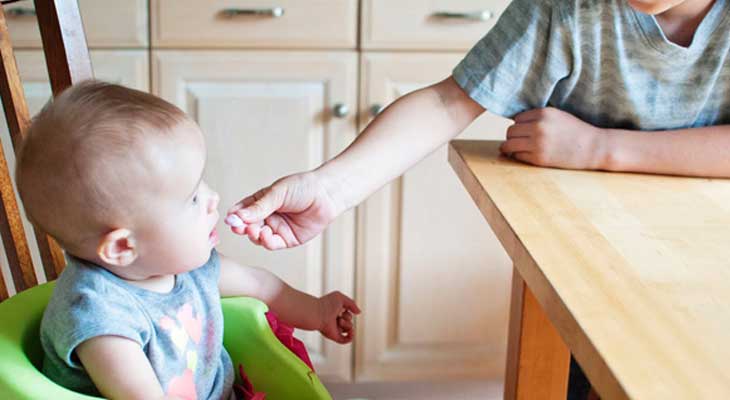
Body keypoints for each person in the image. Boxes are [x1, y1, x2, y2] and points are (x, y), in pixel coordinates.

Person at [223, 0, 729, 397]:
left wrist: (601, 147)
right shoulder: (563, 8)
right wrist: (330, 189)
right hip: (587, 260)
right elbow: (449, 101)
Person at [16, 81, 360, 400]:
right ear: (123, 247)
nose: (213, 198)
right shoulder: (101, 318)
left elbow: (261, 284)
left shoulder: (187, 267)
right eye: (192, 198)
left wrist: (317, 310)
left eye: (201, 184)